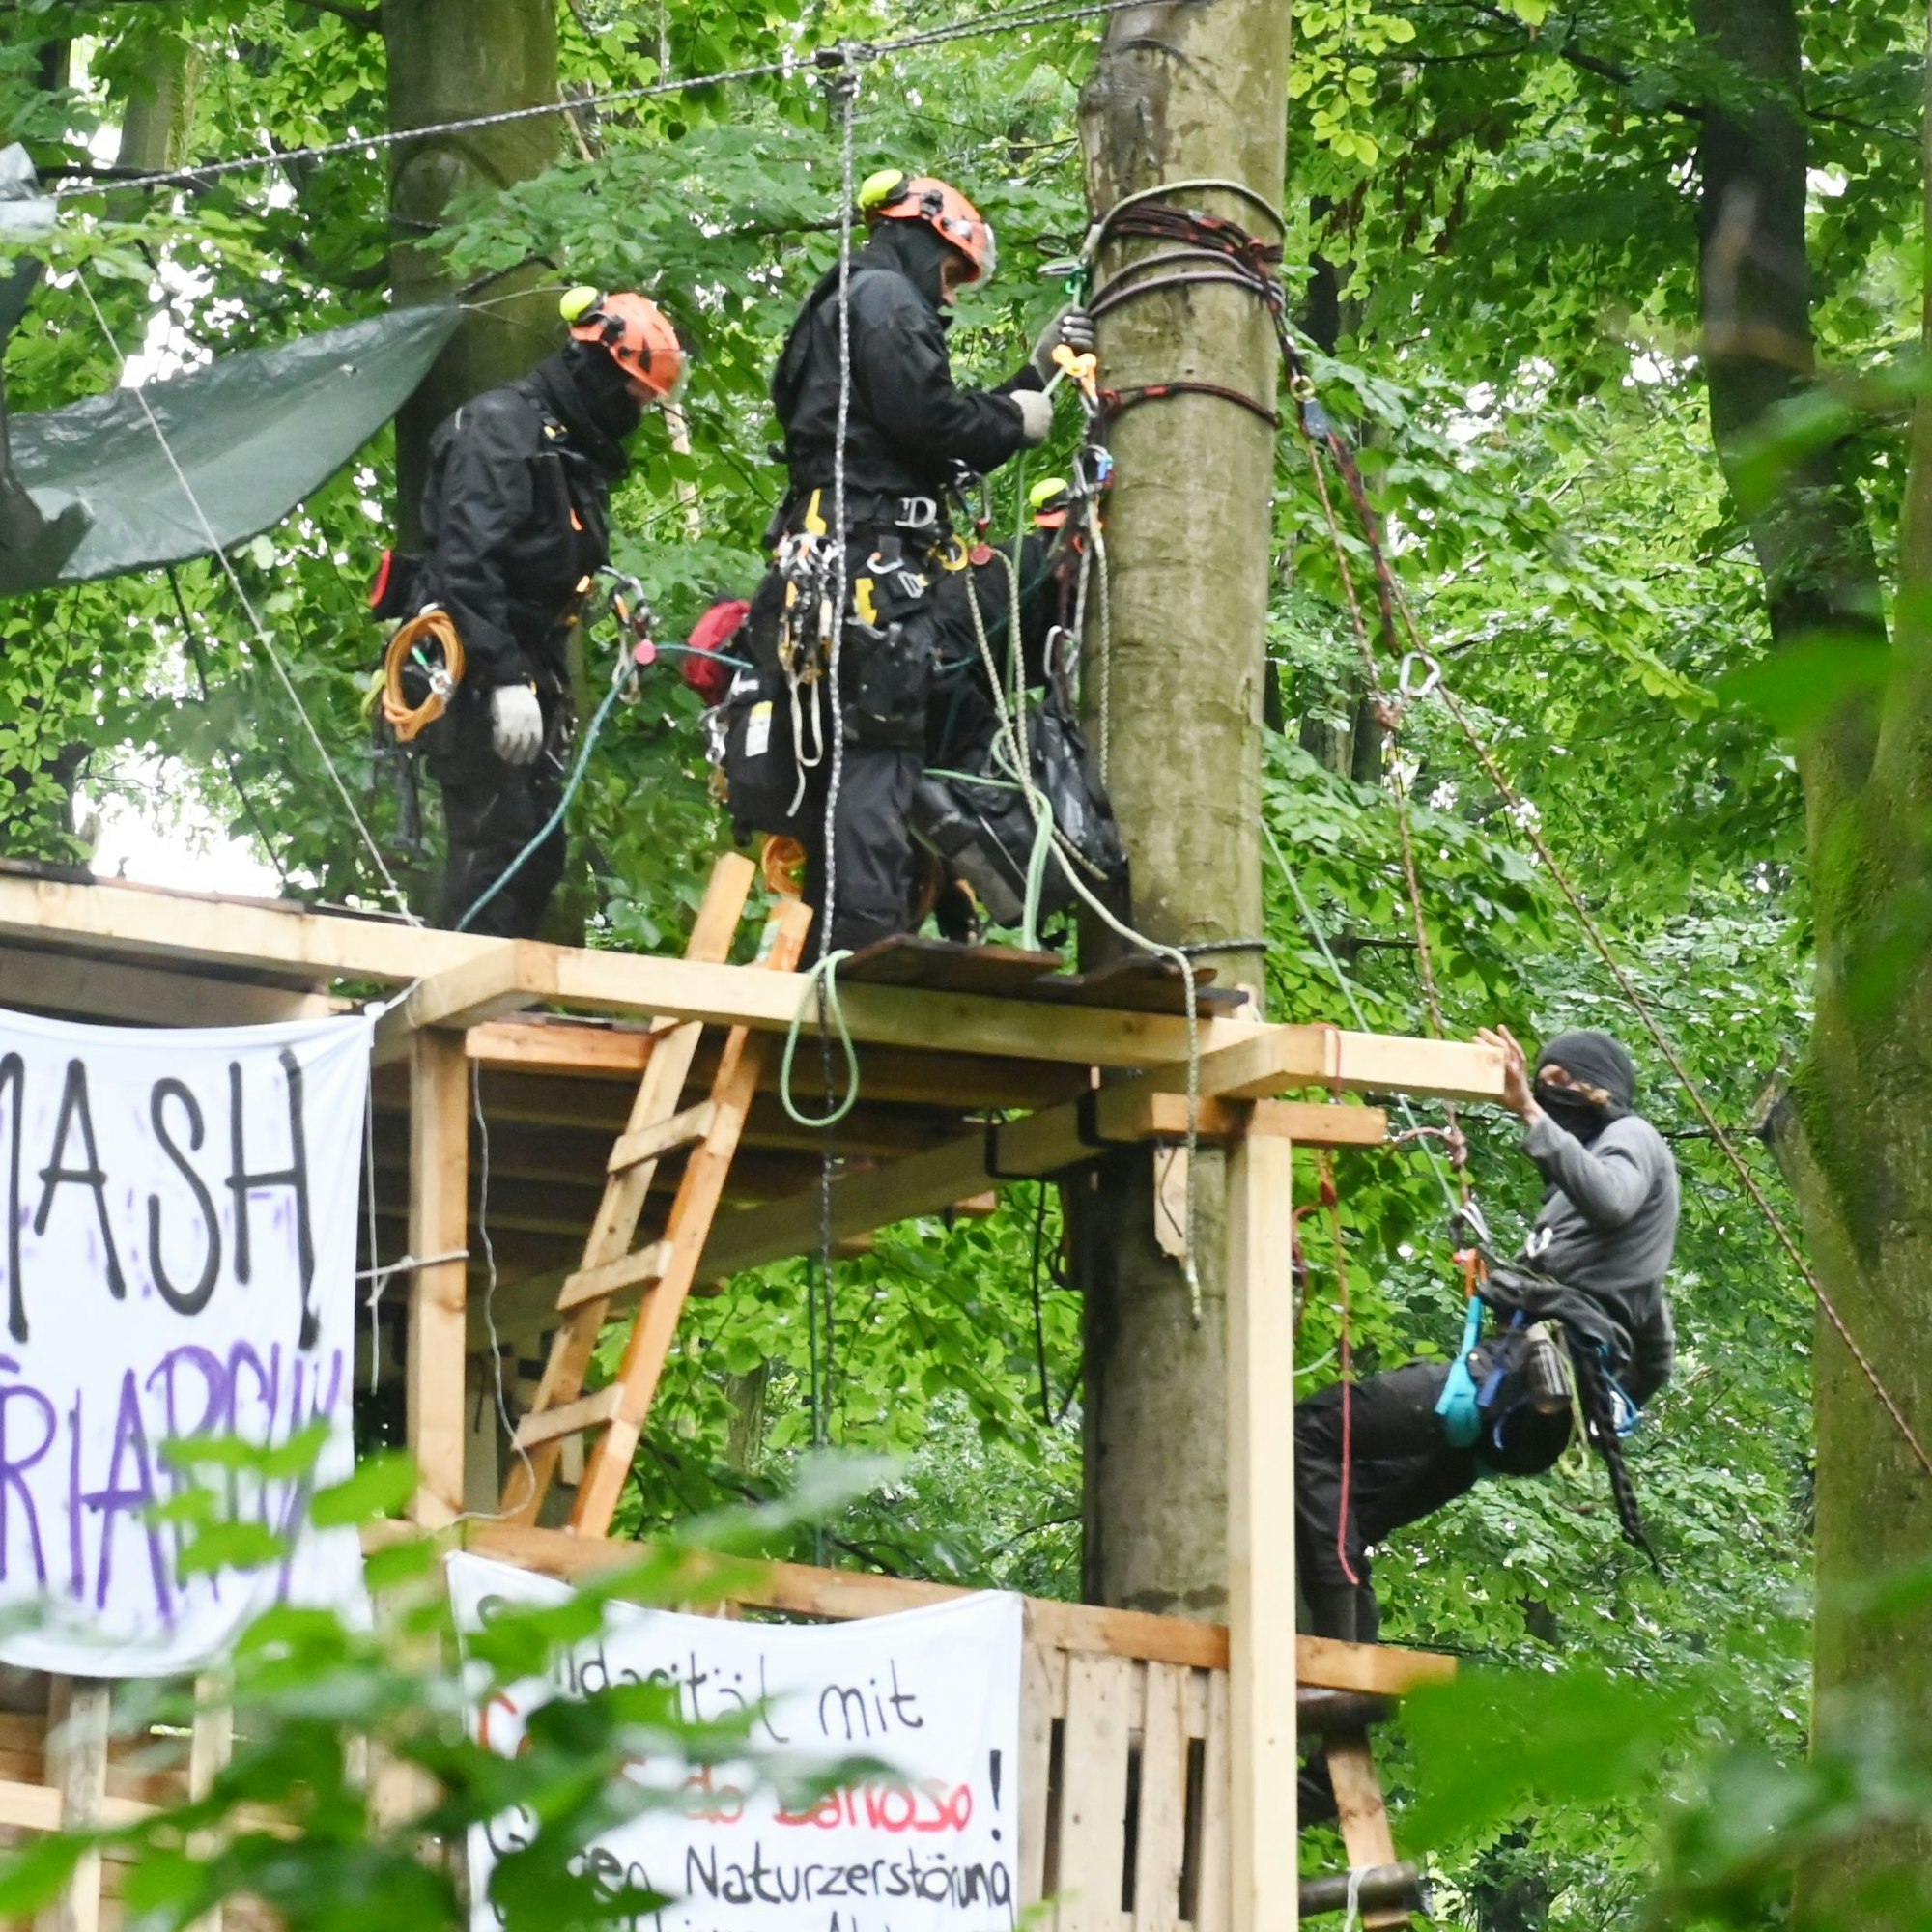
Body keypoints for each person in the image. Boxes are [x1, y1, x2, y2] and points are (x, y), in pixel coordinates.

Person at [751, 168, 1093, 952]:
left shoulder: (843, 310)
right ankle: (868, 945)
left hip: (848, 562)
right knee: (880, 754)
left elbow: (911, 444)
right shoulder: (882, 300)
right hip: (867, 568)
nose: (950, 296)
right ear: (925, 234)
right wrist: (1012, 417)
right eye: (951, 274)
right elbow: (933, 422)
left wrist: (1033, 381)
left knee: (928, 723)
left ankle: (970, 900)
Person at [1294, 1026, 1681, 1644]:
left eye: (1562, 1083)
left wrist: (1526, 1106)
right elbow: (1656, 1354)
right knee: (1345, 1514)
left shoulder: (1631, 1137)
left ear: (1602, 1091)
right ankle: (1344, 1678)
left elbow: (1610, 1199)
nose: (1549, 1094)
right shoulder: (1606, 1236)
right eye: (1543, 1082)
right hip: (1530, 1413)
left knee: (1311, 1429)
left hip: (1518, 1384)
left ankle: (1337, 1658)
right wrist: (1600, 1400)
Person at [415, 287, 683, 935]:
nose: (635, 413)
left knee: (537, 852)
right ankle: (470, 1010)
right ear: (598, 370)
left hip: (527, 662)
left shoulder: (564, 446)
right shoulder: (502, 428)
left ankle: (500, 1002)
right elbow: (467, 562)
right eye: (634, 397)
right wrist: (504, 675)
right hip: (475, 663)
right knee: (496, 847)